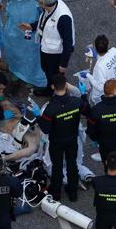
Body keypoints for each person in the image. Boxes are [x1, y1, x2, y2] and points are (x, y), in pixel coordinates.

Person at [38, 74, 85, 202]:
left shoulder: (50, 108)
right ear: (66, 85)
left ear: (53, 87)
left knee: (57, 167)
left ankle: (56, 194)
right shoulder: (76, 102)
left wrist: (38, 116)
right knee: (72, 165)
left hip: (57, 142)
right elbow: (88, 110)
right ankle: (73, 193)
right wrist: (83, 94)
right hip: (72, 140)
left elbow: (45, 129)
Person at [19, 0, 74, 97]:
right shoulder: (51, 5)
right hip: (47, 48)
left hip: (55, 53)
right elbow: (44, 20)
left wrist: (63, 64)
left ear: (44, 4)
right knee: (46, 69)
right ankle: (53, 88)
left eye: (39, 2)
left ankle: (55, 92)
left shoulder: (63, 18)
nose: (38, 4)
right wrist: (32, 26)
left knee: (53, 75)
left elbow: (68, 43)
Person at [1, 0, 48, 88]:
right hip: (14, 34)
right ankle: (17, 72)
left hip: (30, 36)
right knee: (14, 54)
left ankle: (30, 77)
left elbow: (44, 16)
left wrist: (33, 26)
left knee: (31, 57)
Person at [86, 35, 116, 107]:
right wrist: (96, 55)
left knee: (104, 109)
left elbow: (101, 87)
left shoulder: (99, 66)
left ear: (96, 48)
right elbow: (107, 59)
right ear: (108, 44)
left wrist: (88, 76)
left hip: (104, 95)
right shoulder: (115, 51)